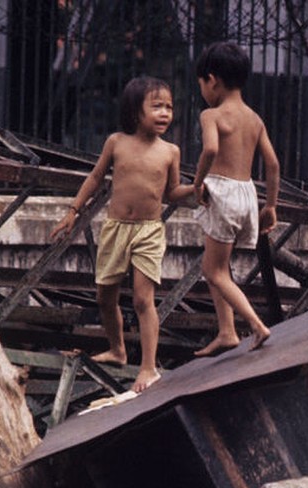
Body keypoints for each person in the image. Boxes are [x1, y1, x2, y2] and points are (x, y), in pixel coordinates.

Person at [51, 76, 192, 393]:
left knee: (143, 300)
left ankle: (148, 368)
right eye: (157, 106)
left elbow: (171, 193)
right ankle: (117, 350)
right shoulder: (116, 142)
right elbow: (96, 177)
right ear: (134, 110)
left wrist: (197, 190)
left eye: (169, 107)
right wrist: (73, 212)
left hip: (148, 232)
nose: (165, 113)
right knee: (105, 296)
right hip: (116, 229)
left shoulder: (170, 151)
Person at [191, 41, 277, 357]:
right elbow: (273, 164)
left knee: (213, 271)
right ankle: (227, 332)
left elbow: (211, 149)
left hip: (222, 192)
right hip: (247, 193)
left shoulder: (211, 115)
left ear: (212, 80)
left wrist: (198, 183)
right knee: (218, 266)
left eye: (201, 84)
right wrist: (271, 205)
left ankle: (255, 325)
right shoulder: (254, 119)